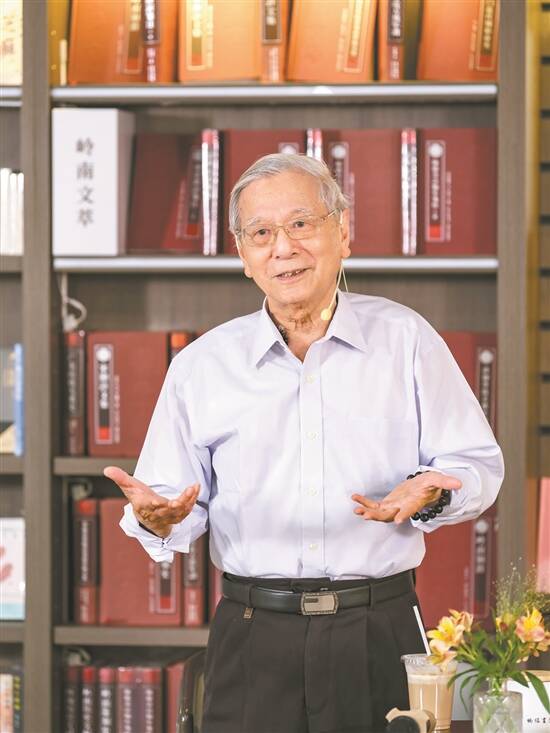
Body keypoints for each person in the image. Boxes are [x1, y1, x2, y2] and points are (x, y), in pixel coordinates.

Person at [104, 154, 504, 733]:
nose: (283, 248)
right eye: (261, 233)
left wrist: (435, 492)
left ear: (342, 232)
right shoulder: (202, 366)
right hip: (253, 635)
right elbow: (172, 501)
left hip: (380, 628)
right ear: (243, 255)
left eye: (300, 224)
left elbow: (475, 464)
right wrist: (159, 519)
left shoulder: (405, 339)